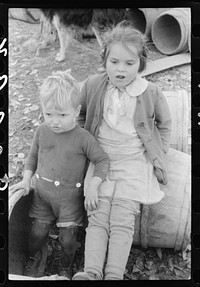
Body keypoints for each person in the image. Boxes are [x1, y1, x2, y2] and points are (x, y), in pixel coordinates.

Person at [72, 20, 172, 280]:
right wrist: (85, 145)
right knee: (97, 213)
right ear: (104, 61)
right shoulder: (94, 85)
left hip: (134, 161)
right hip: (101, 158)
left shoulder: (150, 92)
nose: (121, 69)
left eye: (130, 63)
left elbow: (164, 124)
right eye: (114, 62)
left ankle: (114, 274)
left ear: (141, 64)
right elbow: (82, 116)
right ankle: (91, 272)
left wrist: (159, 153)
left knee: (122, 219)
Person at [9, 70, 109, 279]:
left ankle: (66, 265)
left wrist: (94, 185)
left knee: (68, 240)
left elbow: (102, 160)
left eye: (62, 115)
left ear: (76, 111)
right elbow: (32, 158)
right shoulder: (42, 131)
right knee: (36, 234)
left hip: (69, 200)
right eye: (49, 114)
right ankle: (35, 256)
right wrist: (27, 179)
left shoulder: (83, 138)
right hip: (43, 196)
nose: (55, 121)